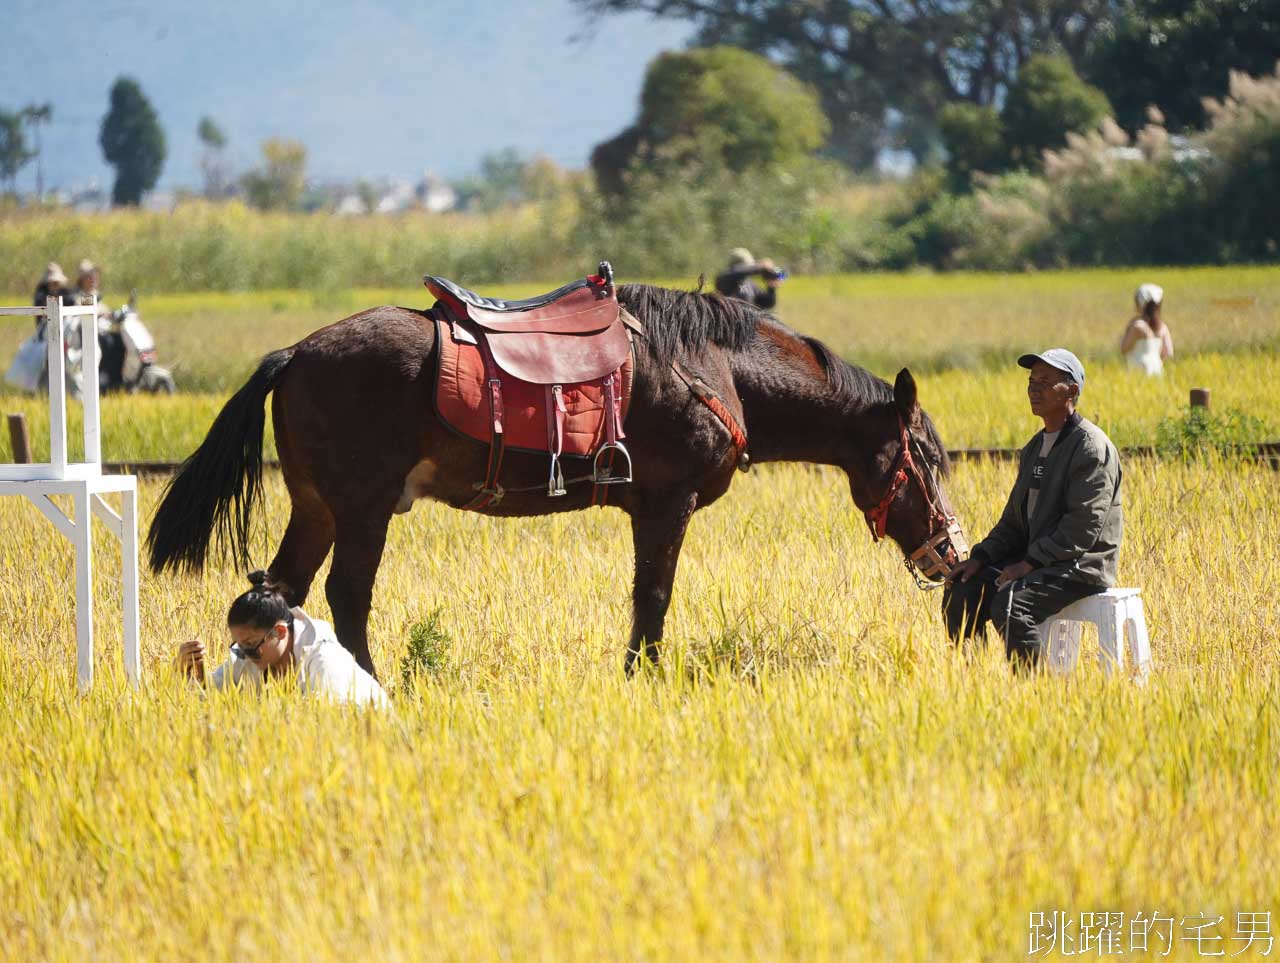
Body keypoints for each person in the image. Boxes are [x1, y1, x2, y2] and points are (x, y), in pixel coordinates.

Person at [942, 349, 1123, 668]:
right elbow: (1013, 524)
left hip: (1081, 565)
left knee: (1011, 604)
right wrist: (981, 557)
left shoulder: (1091, 449)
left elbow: (1081, 530)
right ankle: (972, 681)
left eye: (1045, 381)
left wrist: (1027, 564)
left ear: (1072, 390)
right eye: (1031, 381)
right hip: (1039, 561)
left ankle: (1034, 692)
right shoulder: (1034, 449)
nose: (1034, 389)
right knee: (962, 591)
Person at [176, 570, 391, 708]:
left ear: (279, 632)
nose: (246, 656)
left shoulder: (323, 658)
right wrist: (189, 671)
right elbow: (210, 703)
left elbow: (332, 722)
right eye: (239, 647)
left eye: (250, 645)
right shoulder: (248, 656)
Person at [1120, 283, 1173, 376]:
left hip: (1138, 372)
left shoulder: (1138, 326)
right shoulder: (1162, 327)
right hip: (1158, 371)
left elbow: (1124, 348)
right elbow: (1168, 352)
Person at [714, 247, 785, 310]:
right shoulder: (724, 279)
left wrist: (771, 288)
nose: (750, 268)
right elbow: (736, 272)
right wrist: (760, 266)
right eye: (747, 266)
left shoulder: (749, 284)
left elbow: (767, 304)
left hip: (747, 322)